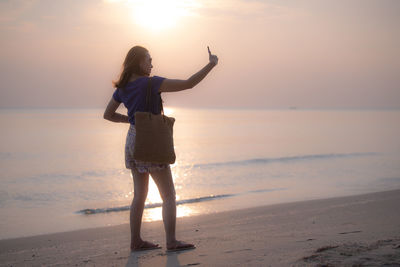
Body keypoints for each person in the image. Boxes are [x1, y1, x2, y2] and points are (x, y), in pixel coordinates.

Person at [103, 45, 218, 252]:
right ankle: (171, 241)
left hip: (132, 140)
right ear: (139, 62)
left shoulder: (122, 88)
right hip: (151, 141)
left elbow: (108, 115)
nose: (152, 63)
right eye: (149, 59)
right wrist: (211, 65)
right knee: (168, 195)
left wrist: (131, 121)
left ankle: (135, 241)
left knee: (139, 194)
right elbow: (189, 84)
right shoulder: (152, 83)